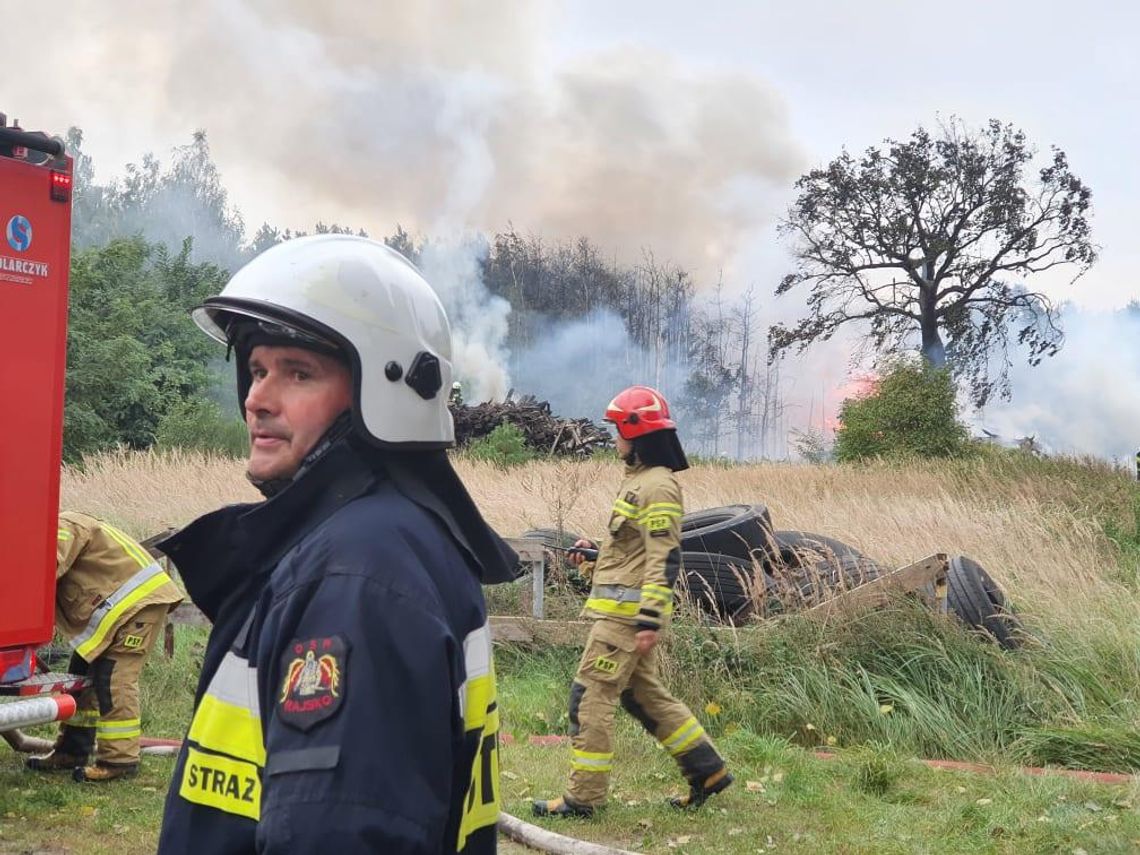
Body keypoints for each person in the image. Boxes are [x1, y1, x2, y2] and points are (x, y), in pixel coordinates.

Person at [155, 235, 517, 854]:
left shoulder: (355, 577)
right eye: (258, 369)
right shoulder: (389, 538)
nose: (257, 398)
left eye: (298, 373)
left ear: (386, 392)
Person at [533, 386, 732, 817]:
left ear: (635, 432)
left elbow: (666, 555)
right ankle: (707, 770)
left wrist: (649, 618)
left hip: (625, 621)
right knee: (644, 697)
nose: (612, 439)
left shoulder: (657, 487)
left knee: (589, 699)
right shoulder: (640, 482)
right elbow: (633, 551)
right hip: (623, 616)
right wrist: (593, 554)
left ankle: (583, 799)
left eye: (616, 430)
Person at [22, 511, 184, 782]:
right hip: (116, 614)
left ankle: (119, 761)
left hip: (138, 608)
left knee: (113, 681)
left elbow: (43, 569)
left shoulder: (61, 526)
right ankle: (72, 751)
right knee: (79, 677)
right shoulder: (56, 526)